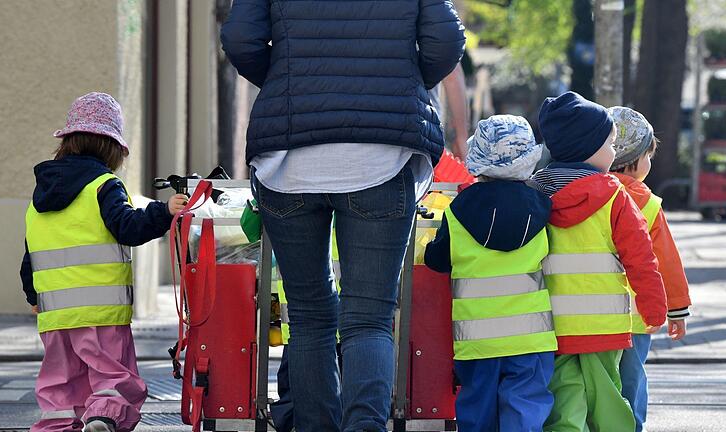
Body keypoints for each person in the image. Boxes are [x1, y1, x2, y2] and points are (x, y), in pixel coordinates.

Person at [221, 0, 465, 430]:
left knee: (309, 314)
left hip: (287, 161)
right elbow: (446, 41)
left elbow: (241, 38)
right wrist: (401, 82)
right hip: (382, 159)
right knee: (369, 317)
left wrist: (285, 83)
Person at [20, 92, 187, 432]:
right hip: (100, 311)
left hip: (54, 315)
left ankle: (56, 425)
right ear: (112, 148)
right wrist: (163, 211)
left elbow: (30, 255)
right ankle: (104, 416)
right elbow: (126, 226)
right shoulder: (104, 185)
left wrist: (33, 297)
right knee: (112, 373)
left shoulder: (40, 197)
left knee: (60, 383)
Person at [529, 91, 667, 432]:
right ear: (589, 149)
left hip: (552, 327)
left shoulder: (534, 193)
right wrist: (654, 308)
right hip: (605, 327)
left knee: (566, 403)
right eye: (609, 145)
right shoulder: (615, 197)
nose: (613, 153)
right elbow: (641, 258)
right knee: (607, 399)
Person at [425, 115, 557, 432]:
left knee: (477, 410)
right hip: (530, 336)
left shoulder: (458, 209)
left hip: (476, 338)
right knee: (525, 408)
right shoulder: (543, 207)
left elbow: (438, 260)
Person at [608, 106, 692, 432]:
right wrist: (677, 310)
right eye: (648, 155)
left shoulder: (584, 191)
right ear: (633, 160)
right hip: (636, 317)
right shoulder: (647, 203)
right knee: (632, 380)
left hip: (586, 313)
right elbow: (666, 261)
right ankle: (632, 426)